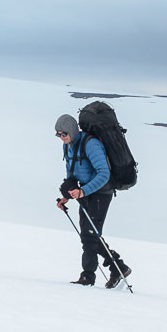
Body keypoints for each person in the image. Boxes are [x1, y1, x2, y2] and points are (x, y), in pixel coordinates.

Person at [55, 113, 131, 287]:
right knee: (89, 235)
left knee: (89, 235)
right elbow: (71, 173)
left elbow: (104, 174)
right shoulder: (68, 146)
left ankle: (87, 277)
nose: (61, 137)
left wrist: (83, 191)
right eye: (58, 134)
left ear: (72, 131)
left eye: (63, 134)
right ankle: (119, 267)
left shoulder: (91, 145)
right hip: (85, 192)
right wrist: (66, 196)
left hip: (101, 192)